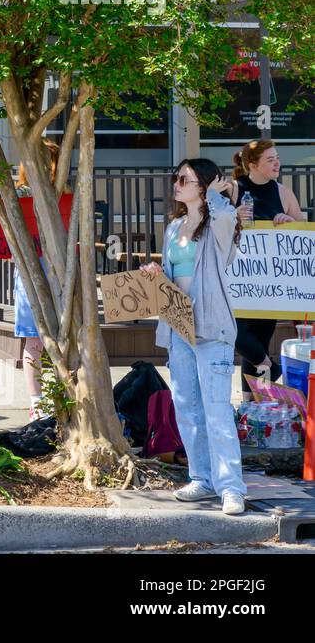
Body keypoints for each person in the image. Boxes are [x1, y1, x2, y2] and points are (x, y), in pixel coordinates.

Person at [141, 158, 246, 515]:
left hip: (212, 328)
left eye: (184, 178)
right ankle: (201, 478)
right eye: (176, 177)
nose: (176, 183)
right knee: (187, 407)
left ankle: (231, 487)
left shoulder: (219, 222)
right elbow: (172, 279)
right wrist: (157, 274)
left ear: (203, 185)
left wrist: (219, 192)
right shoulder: (174, 228)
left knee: (216, 409)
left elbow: (228, 215)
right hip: (178, 327)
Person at [228, 139, 306, 398]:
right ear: (252, 165)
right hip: (237, 278)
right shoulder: (234, 190)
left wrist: (289, 221)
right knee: (237, 334)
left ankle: (251, 403)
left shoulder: (283, 192)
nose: (277, 163)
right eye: (270, 159)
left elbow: (302, 233)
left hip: (270, 282)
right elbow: (212, 226)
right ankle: (270, 369)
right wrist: (233, 217)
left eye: (277, 158)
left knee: (259, 341)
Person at [11, 139, 62, 420]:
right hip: (35, 273)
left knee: (44, 342)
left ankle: (48, 402)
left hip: (53, 273)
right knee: (35, 341)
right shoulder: (21, 194)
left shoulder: (60, 193)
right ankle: (39, 403)